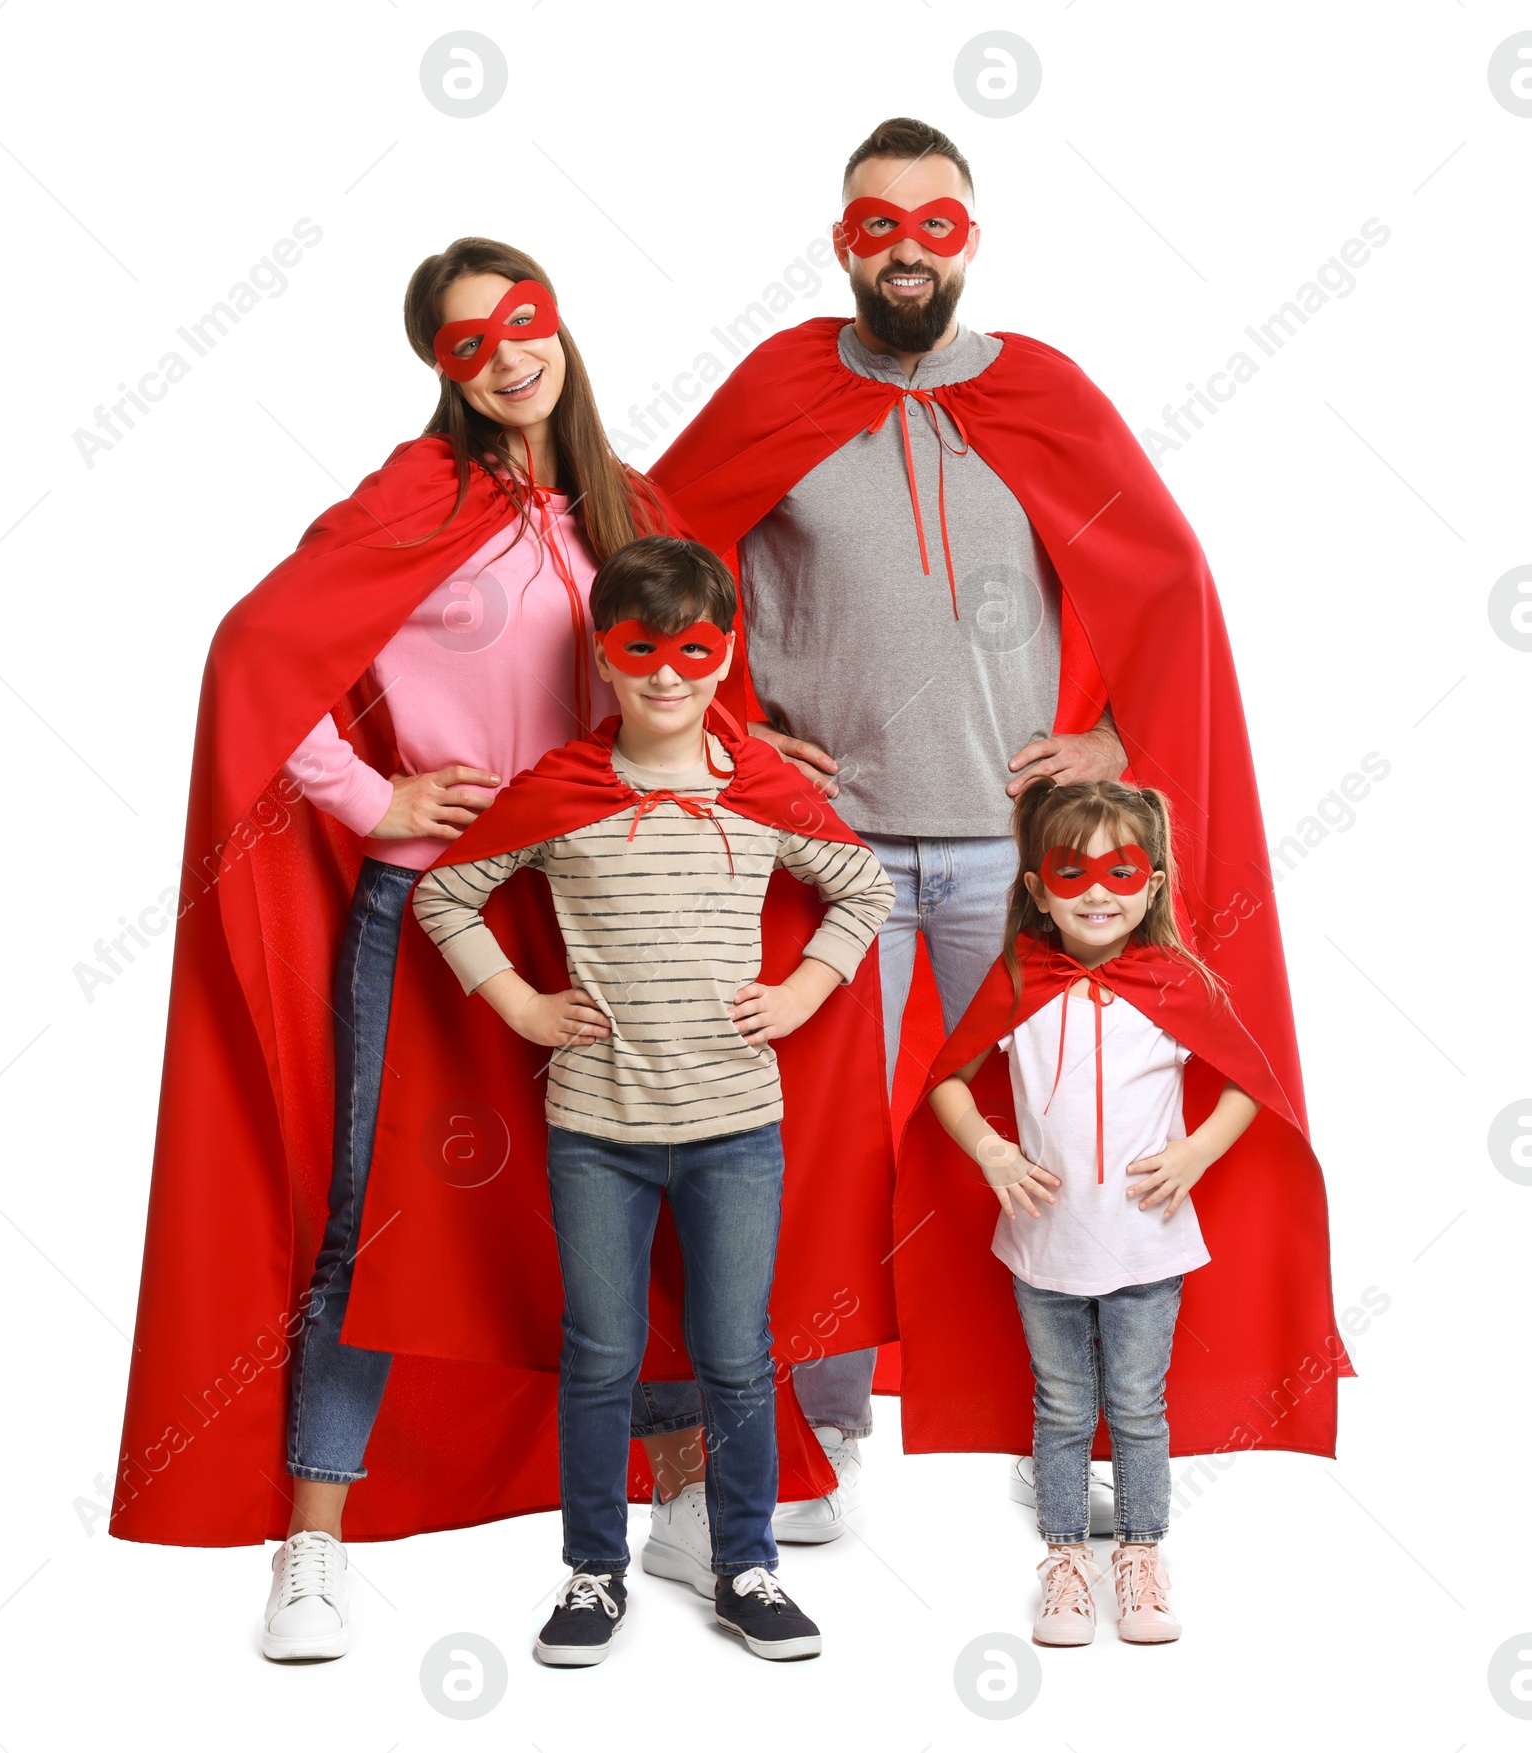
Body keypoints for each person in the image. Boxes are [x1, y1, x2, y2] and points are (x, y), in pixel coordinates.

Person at [112, 236, 831, 1660]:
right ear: (439, 368)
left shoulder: (621, 508)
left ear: (558, 328)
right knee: (373, 1215)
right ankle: (308, 1545)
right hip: (438, 909)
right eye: (468, 342)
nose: (509, 355)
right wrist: (374, 798)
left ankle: (682, 1509)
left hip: (608, 910)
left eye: (526, 323)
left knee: (665, 1189)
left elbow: (691, 699)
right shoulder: (415, 497)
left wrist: (778, 785)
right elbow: (256, 656)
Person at [651, 116, 1135, 1536]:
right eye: (879, 223)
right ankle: (816, 1434)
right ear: (842, 240)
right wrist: (730, 719)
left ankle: (1084, 1439)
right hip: (833, 846)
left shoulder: (1041, 393)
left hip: (1012, 846)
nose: (908, 248)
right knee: (811, 1141)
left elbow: (1145, 570)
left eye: (937, 223)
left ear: (970, 241)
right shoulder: (785, 387)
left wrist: (1109, 726)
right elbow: (667, 552)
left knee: (1059, 1124)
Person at [407, 536, 895, 1663]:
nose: (667, 675)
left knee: (734, 1353)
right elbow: (449, 895)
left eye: (692, 651)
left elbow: (859, 885)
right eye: (641, 651)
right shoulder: (563, 791)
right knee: (602, 1355)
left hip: (736, 1130)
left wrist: (805, 986)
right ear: (606, 656)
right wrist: (521, 1006)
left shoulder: (760, 791)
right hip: (596, 1131)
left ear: (724, 659)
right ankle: (591, 1574)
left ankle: (745, 1568)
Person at [926, 779, 1269, 1643]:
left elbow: (1249, 1085)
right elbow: (947, 1083)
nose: (1097, 892)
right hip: (1043, 1244)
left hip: (1147, 1245)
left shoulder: (1175, 982)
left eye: (1122, 872)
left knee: (1140, 1405)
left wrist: (1193, 1153)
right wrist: (991, 1151)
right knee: (1063, 1404)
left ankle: (1143, 1556)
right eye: (1071, 872)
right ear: (1037, 887)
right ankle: (1067, 1559)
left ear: (1152, 883)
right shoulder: (1018, 980)